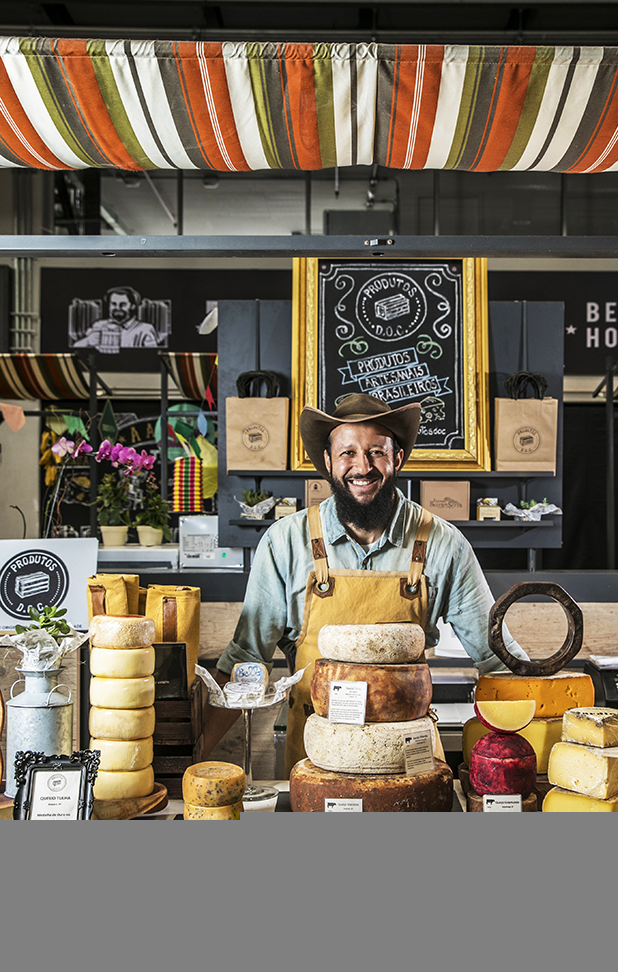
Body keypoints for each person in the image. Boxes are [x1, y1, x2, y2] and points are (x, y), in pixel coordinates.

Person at [207, 393, 527, 777]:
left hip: (409, 761)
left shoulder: (443, 544)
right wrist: (189, 757)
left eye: (376, 452)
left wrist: (546, 735)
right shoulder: (284, 543)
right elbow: (245, 661)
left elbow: (498, 658)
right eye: (347, 453)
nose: (362, 466)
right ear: (327, 462)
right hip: (316, 760)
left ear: (398, 459)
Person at [74, 286, 160, 350]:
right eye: (113, 304)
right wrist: (87, 341)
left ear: (133, 306)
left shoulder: (145, 329)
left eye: (122, 304)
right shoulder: (99, 325)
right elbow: (74, 350)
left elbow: (152, 358)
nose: (117, 308)